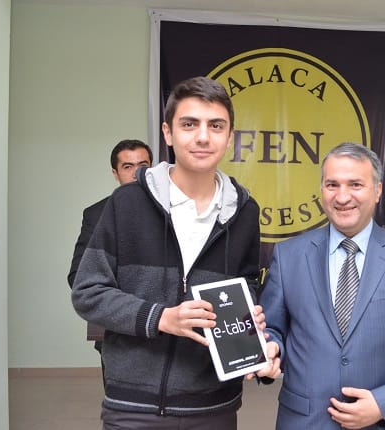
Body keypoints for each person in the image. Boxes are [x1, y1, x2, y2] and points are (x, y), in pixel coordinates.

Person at [71, 76, 263, 430]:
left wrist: (250, 317)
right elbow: (88, 292)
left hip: (214, 404)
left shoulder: (246, 212)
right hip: (134, 405)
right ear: (168, 133)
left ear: (229, 137)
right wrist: (161, 318)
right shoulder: (126, 203)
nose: (203, 137)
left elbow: (247, 287)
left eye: (216, 126)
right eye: (189, 124)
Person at [257, 142, 385, 430]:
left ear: (377, 190)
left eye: (355, 184)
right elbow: (272, 329)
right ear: (321, 190)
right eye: (332, 185)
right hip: (305, 421)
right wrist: (270, 348)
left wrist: (383, 405)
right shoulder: (289, 256)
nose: (342, 196)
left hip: (383, 424)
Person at [67, 138, 153, 288]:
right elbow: (78, 275)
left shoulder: (170, 207)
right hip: (118, 300)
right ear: (116, 174)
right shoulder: (96, 214)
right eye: (127, 167)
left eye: (143, 166)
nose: (136, 173)